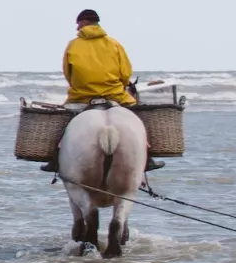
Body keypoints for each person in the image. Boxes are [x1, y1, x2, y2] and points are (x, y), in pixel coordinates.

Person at [43, 9, 162, 172]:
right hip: (115, 95)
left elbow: (68, 73)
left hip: (82, 97)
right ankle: (148, 158)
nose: (77, 28)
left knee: (65, 124)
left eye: (78, 24)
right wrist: (121, 84)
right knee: (138, 119)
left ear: (84, 22)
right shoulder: (114, 44)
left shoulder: (73, 45)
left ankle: (54, 160)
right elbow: (126, 73)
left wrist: (80, 86)